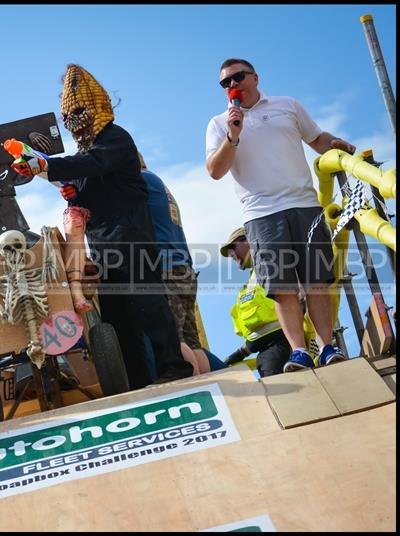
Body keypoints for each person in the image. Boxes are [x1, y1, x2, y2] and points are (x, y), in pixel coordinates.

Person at [13, 63, 193, 389]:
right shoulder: (90, 150)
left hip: (132, 238)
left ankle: (175, 367)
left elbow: (93, 165)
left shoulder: (116, 138)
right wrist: (72, 192)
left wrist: (46, 166)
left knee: (149, 305)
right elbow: (86, 181)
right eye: (68, 118)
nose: (74, 124)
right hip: (103, 245)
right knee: (118, 316)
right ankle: (136, 381)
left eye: (79, 113)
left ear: (97, 106)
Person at [206, 58, 355, 373]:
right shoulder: (219, 123)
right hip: (261, 214)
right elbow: (215, 171)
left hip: (305, 205)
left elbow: (317, 139)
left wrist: (335, 144)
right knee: (282, 286)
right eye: (225, 83)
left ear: (255, 78)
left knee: (316, 280)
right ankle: (299, 351)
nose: (231, 86)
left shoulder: (288, 106)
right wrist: (233, 136)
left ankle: (328, 347)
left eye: (237, 78)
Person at [138, 152, 210, 376]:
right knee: (192, 340)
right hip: (183, 267)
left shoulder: (142, 180)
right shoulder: (157, 182)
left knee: (173, 338)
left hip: (166, 268)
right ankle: (207, 383)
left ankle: (191, 386)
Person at [220, 228, 292, 377]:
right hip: (266, 352)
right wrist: (238, 354)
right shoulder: (252, 282)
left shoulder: (271, 265)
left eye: (232, 247)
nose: (231, 254)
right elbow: (259, 333)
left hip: (283, 347)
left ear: (248, 240)